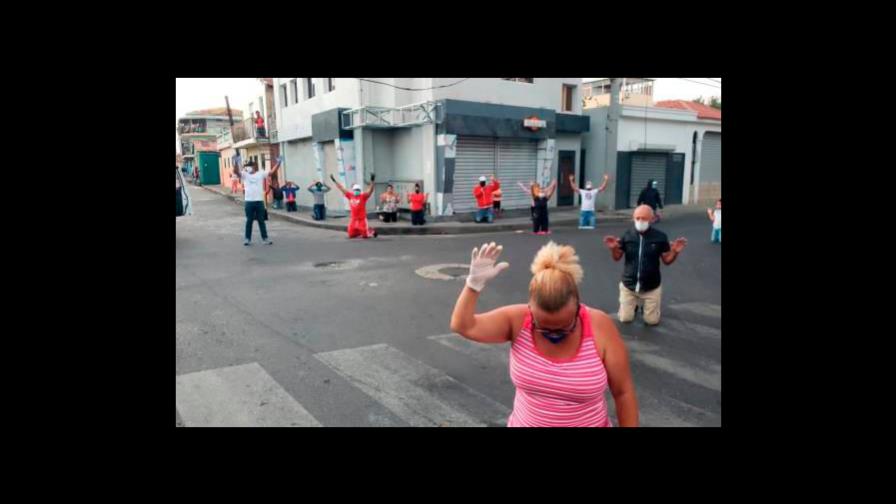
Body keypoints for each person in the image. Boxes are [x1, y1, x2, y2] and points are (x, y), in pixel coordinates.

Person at [449, 241, 639, 427]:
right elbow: (463, 326)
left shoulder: (599, 325)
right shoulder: (517, 320)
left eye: (565, 326)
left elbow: (623, 392)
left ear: (578, 305)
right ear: (530, 308)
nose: (554, 334)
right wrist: (473, 285)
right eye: (543, 327)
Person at [602, 205, 687, 325]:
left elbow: (667, 261)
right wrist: (613, 249)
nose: (640, 221)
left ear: (652, 219)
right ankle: (634, 304)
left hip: (651, 287)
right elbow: (617, 257)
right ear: (633, 218)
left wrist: (675, 252)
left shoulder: (660, 237)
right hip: (629, 285)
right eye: (637, 218)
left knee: (651, 321)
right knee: (625, 318)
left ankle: (647, 306)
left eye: (644, 218)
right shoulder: (627, 235)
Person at [232, 158, 280, 246]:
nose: (248, 168)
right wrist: (235, 163)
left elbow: (271, 172)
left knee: (261, 220)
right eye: (247, 167)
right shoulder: (245, 174)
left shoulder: (261, 173)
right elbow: (236, 172)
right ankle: (247, 239)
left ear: (255, 167)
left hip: (259, 201)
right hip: (249, 201)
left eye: (250, 166)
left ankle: (265, 238)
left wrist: (278, 163)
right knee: (249, 220)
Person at [330, 173, 378, 239]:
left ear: (360, 191)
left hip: (362, 219)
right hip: (353, 219)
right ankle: (361, 230)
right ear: (353, 190)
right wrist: (334, 180)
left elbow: (370, 190)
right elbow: (341, 188)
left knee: (365, 236)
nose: (356, 191)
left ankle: (370, 231)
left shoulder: (363, 196)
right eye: (355, 190)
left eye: (358, 190)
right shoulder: (350, 195)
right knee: (351, 234)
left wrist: (372, 180)